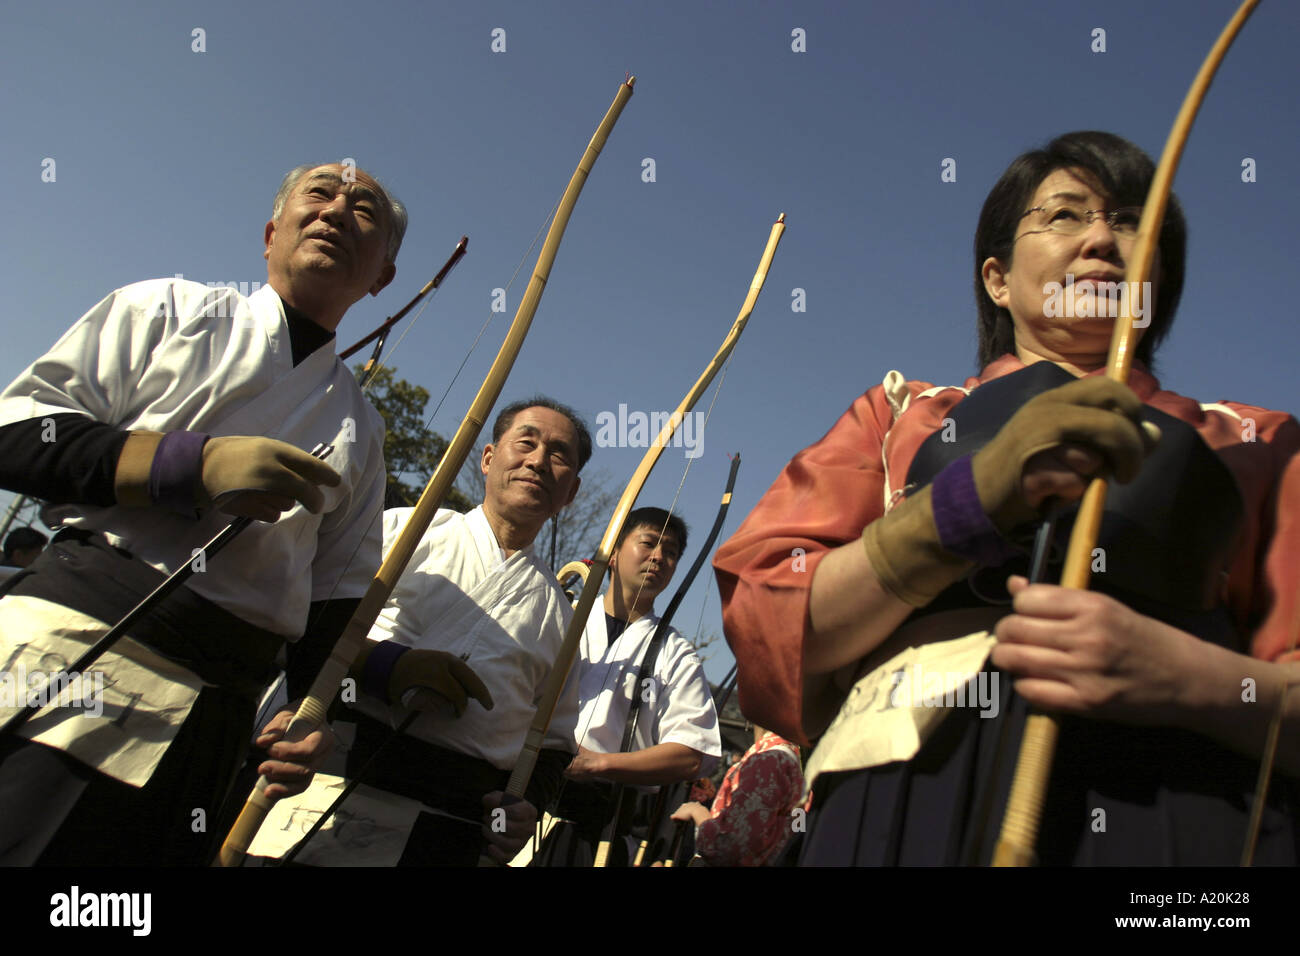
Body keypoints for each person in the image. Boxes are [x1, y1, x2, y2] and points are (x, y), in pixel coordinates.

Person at [714, 131, 1300, 866]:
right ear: (997, 278)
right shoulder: (898, 416)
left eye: (1129, 222)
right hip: (897, 807)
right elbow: (773, 632)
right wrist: (965, 505)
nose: (1099, 240)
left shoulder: (1257, 443)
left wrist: (1188, 677)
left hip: (1184, 824)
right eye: (1063, 215)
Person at [0, 161, 401, 864]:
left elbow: (335, 604)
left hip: (217, 710)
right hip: (69, 645)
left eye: (363, 208)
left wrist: (316, 716)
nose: (338, 210)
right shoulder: (167, 309)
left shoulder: (363, 433)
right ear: (272, 232)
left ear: (383, 278)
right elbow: (18, 433)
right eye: (320, 194)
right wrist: (186, 465)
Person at [322, 397, 592, 866]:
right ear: (488, 458)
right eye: (525, 442)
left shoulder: (563, 619)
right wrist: (387, 666)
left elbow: (552, 742)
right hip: (341, 769)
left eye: (558, 455)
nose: (537, 461)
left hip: (459, 817)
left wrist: (527, 807)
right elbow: (315, 626)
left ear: (570, 493)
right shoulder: (405, 531)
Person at [535, 507, 721, 866]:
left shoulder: (675, 652)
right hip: (524, 796)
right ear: (615, 551)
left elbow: (690, 753)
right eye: (649, 543)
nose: (659, 557)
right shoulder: (563, 613)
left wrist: (600, 764)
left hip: (602, 827)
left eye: (670, 552)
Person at [669, 725, 804, 867]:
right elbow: (797, 832)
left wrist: (697, 813)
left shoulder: (770, 761)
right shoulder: (794, 763)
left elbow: (730, 848)